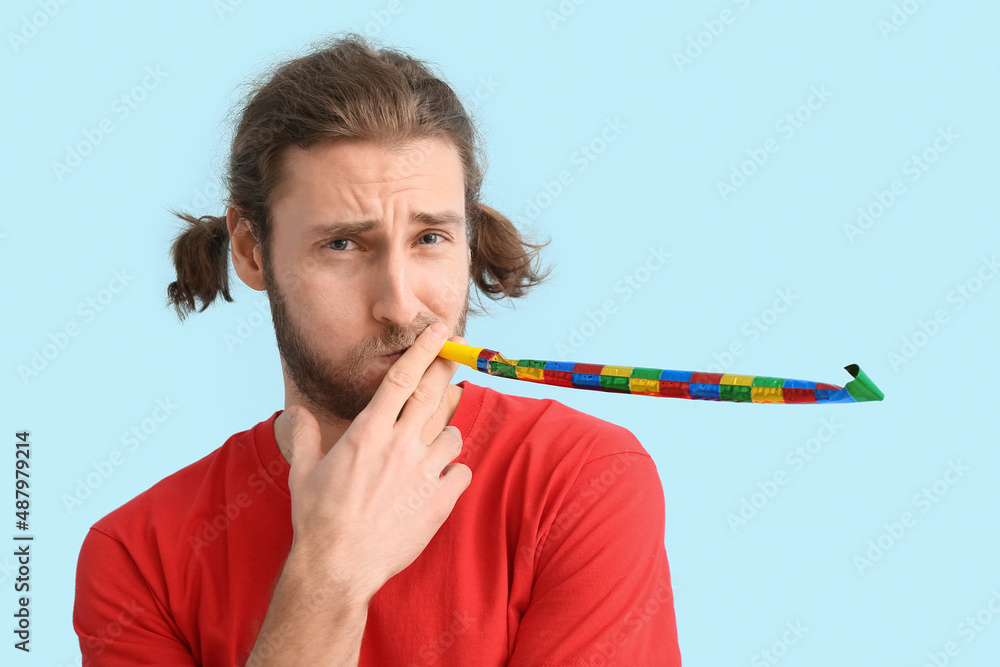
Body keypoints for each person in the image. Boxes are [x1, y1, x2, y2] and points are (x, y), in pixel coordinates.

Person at [72, 32, 682, 666]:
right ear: (252, 251)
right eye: (342, 245)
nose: (400, 304)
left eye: (430, 238)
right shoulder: (137, 558)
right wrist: (327, 578)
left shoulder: (584, 478)